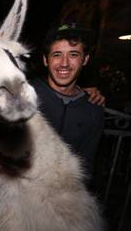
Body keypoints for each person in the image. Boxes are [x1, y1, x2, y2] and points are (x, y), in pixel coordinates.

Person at [30, 23, 105, 186]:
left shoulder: (93, 108)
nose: (64, 63)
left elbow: (86, 168)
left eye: (73, 55)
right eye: (57, 54)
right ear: (45, 60)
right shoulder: (25, 95)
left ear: (85, 59)